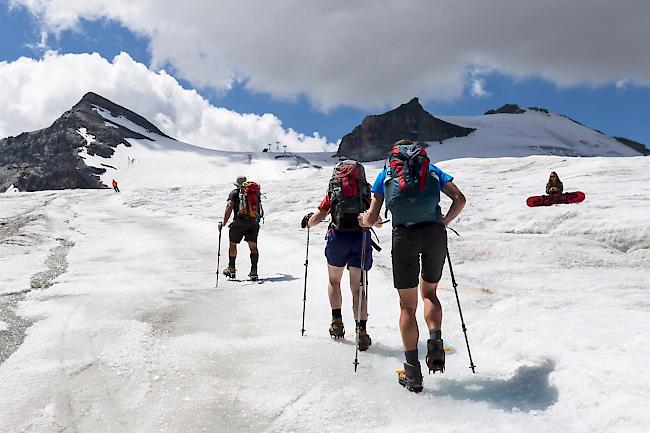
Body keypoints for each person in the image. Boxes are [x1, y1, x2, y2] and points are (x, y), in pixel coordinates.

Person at [359, 139, 466, 393]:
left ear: (394, 154)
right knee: (429, 293)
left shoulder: (386, 174)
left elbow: (372, 218)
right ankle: (435, 340)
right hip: (434, 234)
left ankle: (412, 373)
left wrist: (365, 221)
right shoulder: (431, 169)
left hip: (404, 236)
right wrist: (444, 221)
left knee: (407, 305)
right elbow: (459, 198)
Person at [300, 160, 380, 351]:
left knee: (334, 281)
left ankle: (337, 322)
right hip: (360, 239)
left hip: (338, 239)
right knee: (358, 287)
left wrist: (308, 223)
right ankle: (361, 332)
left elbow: (319, 215)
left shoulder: (334, 190)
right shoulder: (366, 191)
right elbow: (377, 222)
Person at [219, 175, 263, 281]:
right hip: (253, 223)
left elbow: (229, 206)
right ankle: (254, 271)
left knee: (233, 244)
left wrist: (224, 223)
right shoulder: (254, 193)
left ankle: (232, 268)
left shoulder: (234, 193)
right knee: (253, 246)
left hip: (239, 223)